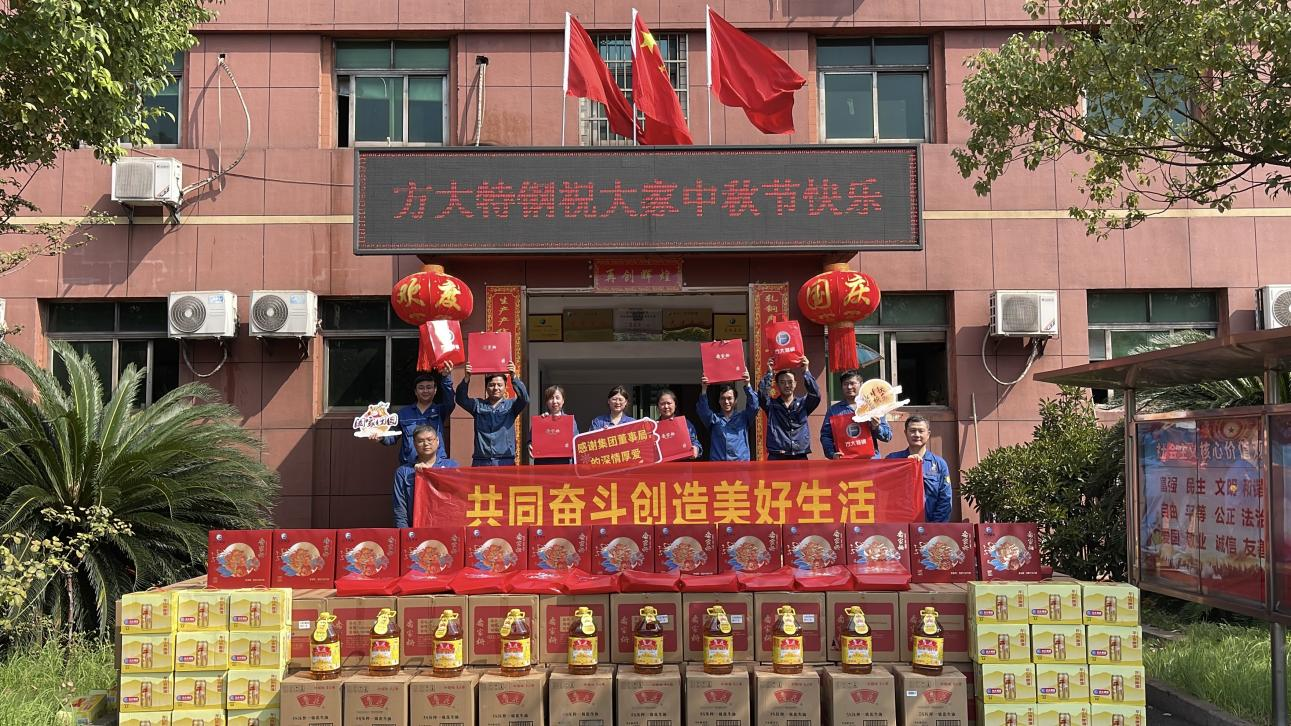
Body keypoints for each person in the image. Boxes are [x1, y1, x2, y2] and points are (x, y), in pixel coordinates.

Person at [455, 361, 529, 466]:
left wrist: (514, 377)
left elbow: (524, 399)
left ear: (505, 387)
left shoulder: (511, 405)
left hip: (505, 460)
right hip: (481, 461)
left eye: (500, 385)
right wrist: (466, 378)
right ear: (486, 387)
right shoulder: (478, 405)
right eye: (492, 385)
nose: (496, 388)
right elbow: (460, 399)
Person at [377, 368, 455, 463]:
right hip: (410, 466)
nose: (425, 391)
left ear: (435, 390)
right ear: (415, 391)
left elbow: (450, 401)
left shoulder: (440, 410)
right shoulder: (403, 414)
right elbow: (392, 437)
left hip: (435, 465)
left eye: (429, 387)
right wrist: (381, 437)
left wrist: (446, 377)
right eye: (421, 388)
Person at [885, 415, 953, 522]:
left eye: (921, 431)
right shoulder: (893, 460)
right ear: (905, 433)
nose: (916, 434)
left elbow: (945, 499)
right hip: (900, 525)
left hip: (930, 525)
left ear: (928, 434)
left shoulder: (939, 464)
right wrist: (905, 466)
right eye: (912, 431)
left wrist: (935, 527)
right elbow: (883, 488)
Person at [393, 426, 458, 528]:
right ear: (414, 444)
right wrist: (405, 533)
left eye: (430, 439)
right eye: (420, 441)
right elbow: (400, 508)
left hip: (445, 528)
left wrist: (430, 473)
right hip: (415, 529)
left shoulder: (451, 466)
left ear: (437, 441)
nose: (426, 444)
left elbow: (457, 499)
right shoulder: (403, 472)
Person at [758, 356, 821, 460]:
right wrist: (769, 373)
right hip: (777, 456)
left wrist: (806, 371)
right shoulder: (771, 405)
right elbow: (762, 395)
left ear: (795, 384)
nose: (787, 385)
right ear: (777, 385)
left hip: (800, 455)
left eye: (790, 382)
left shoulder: (803, 404)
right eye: (782, 382)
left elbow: (816, 395)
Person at [820, 370, 893, 459]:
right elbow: (826, 436)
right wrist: (832, 454)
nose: (849, 387)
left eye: (852, 383)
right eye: (845, 384)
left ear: (861, 384)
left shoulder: (874, 407)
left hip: (871, 461)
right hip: (845, 461)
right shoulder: (833, 410)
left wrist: (876, 427)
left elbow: (888, 436)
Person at [696, 372, 759, 461]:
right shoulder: (713, 419)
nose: (726, 402)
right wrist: (704, 389)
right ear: (719, 401)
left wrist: (747, 384)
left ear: (735, 400)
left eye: (729, 398)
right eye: (723, 398)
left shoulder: (743, 417)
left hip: (740, 464)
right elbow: (702, 410)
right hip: (719, 465)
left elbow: (754, 405)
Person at [530, 384, 578, 465]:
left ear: (563, 401)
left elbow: (576, 441)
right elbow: (531, 440)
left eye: (557, 398)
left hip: (565, 464)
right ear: (546, 402)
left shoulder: (570, 421)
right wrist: (530, 445)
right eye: (551, 398)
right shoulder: (541, 420)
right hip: (543, 465)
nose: (554, 401)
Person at [657, 388, 702, 459]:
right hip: (661, 464)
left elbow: (695, 442)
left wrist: (696, 449)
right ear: (657, 406)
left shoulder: (685, 424)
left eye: (669, 403)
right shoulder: (654, 427)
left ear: (675, 405)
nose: (666, 406)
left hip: (682, 463)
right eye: (662, 404)